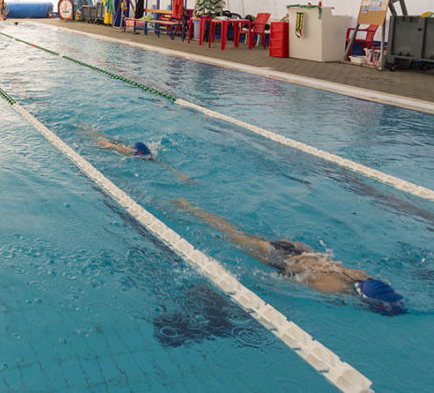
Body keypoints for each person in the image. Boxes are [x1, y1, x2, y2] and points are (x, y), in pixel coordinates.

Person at [172, 197, 406, 315]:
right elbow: (291, 285)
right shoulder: (333, 289)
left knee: (241, 234)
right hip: (280, 258)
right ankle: (188, 208)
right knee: (228, 233)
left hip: (301, 250)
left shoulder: (360, 276)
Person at [80, 126, 190, 181]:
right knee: (101, 141)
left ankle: (87, 129)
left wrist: (179, 175)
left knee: (104, 138)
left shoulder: (146, 155)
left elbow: (160, 164)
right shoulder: (123, 151)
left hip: (123, 145)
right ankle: (84, 131)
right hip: (114, 146)